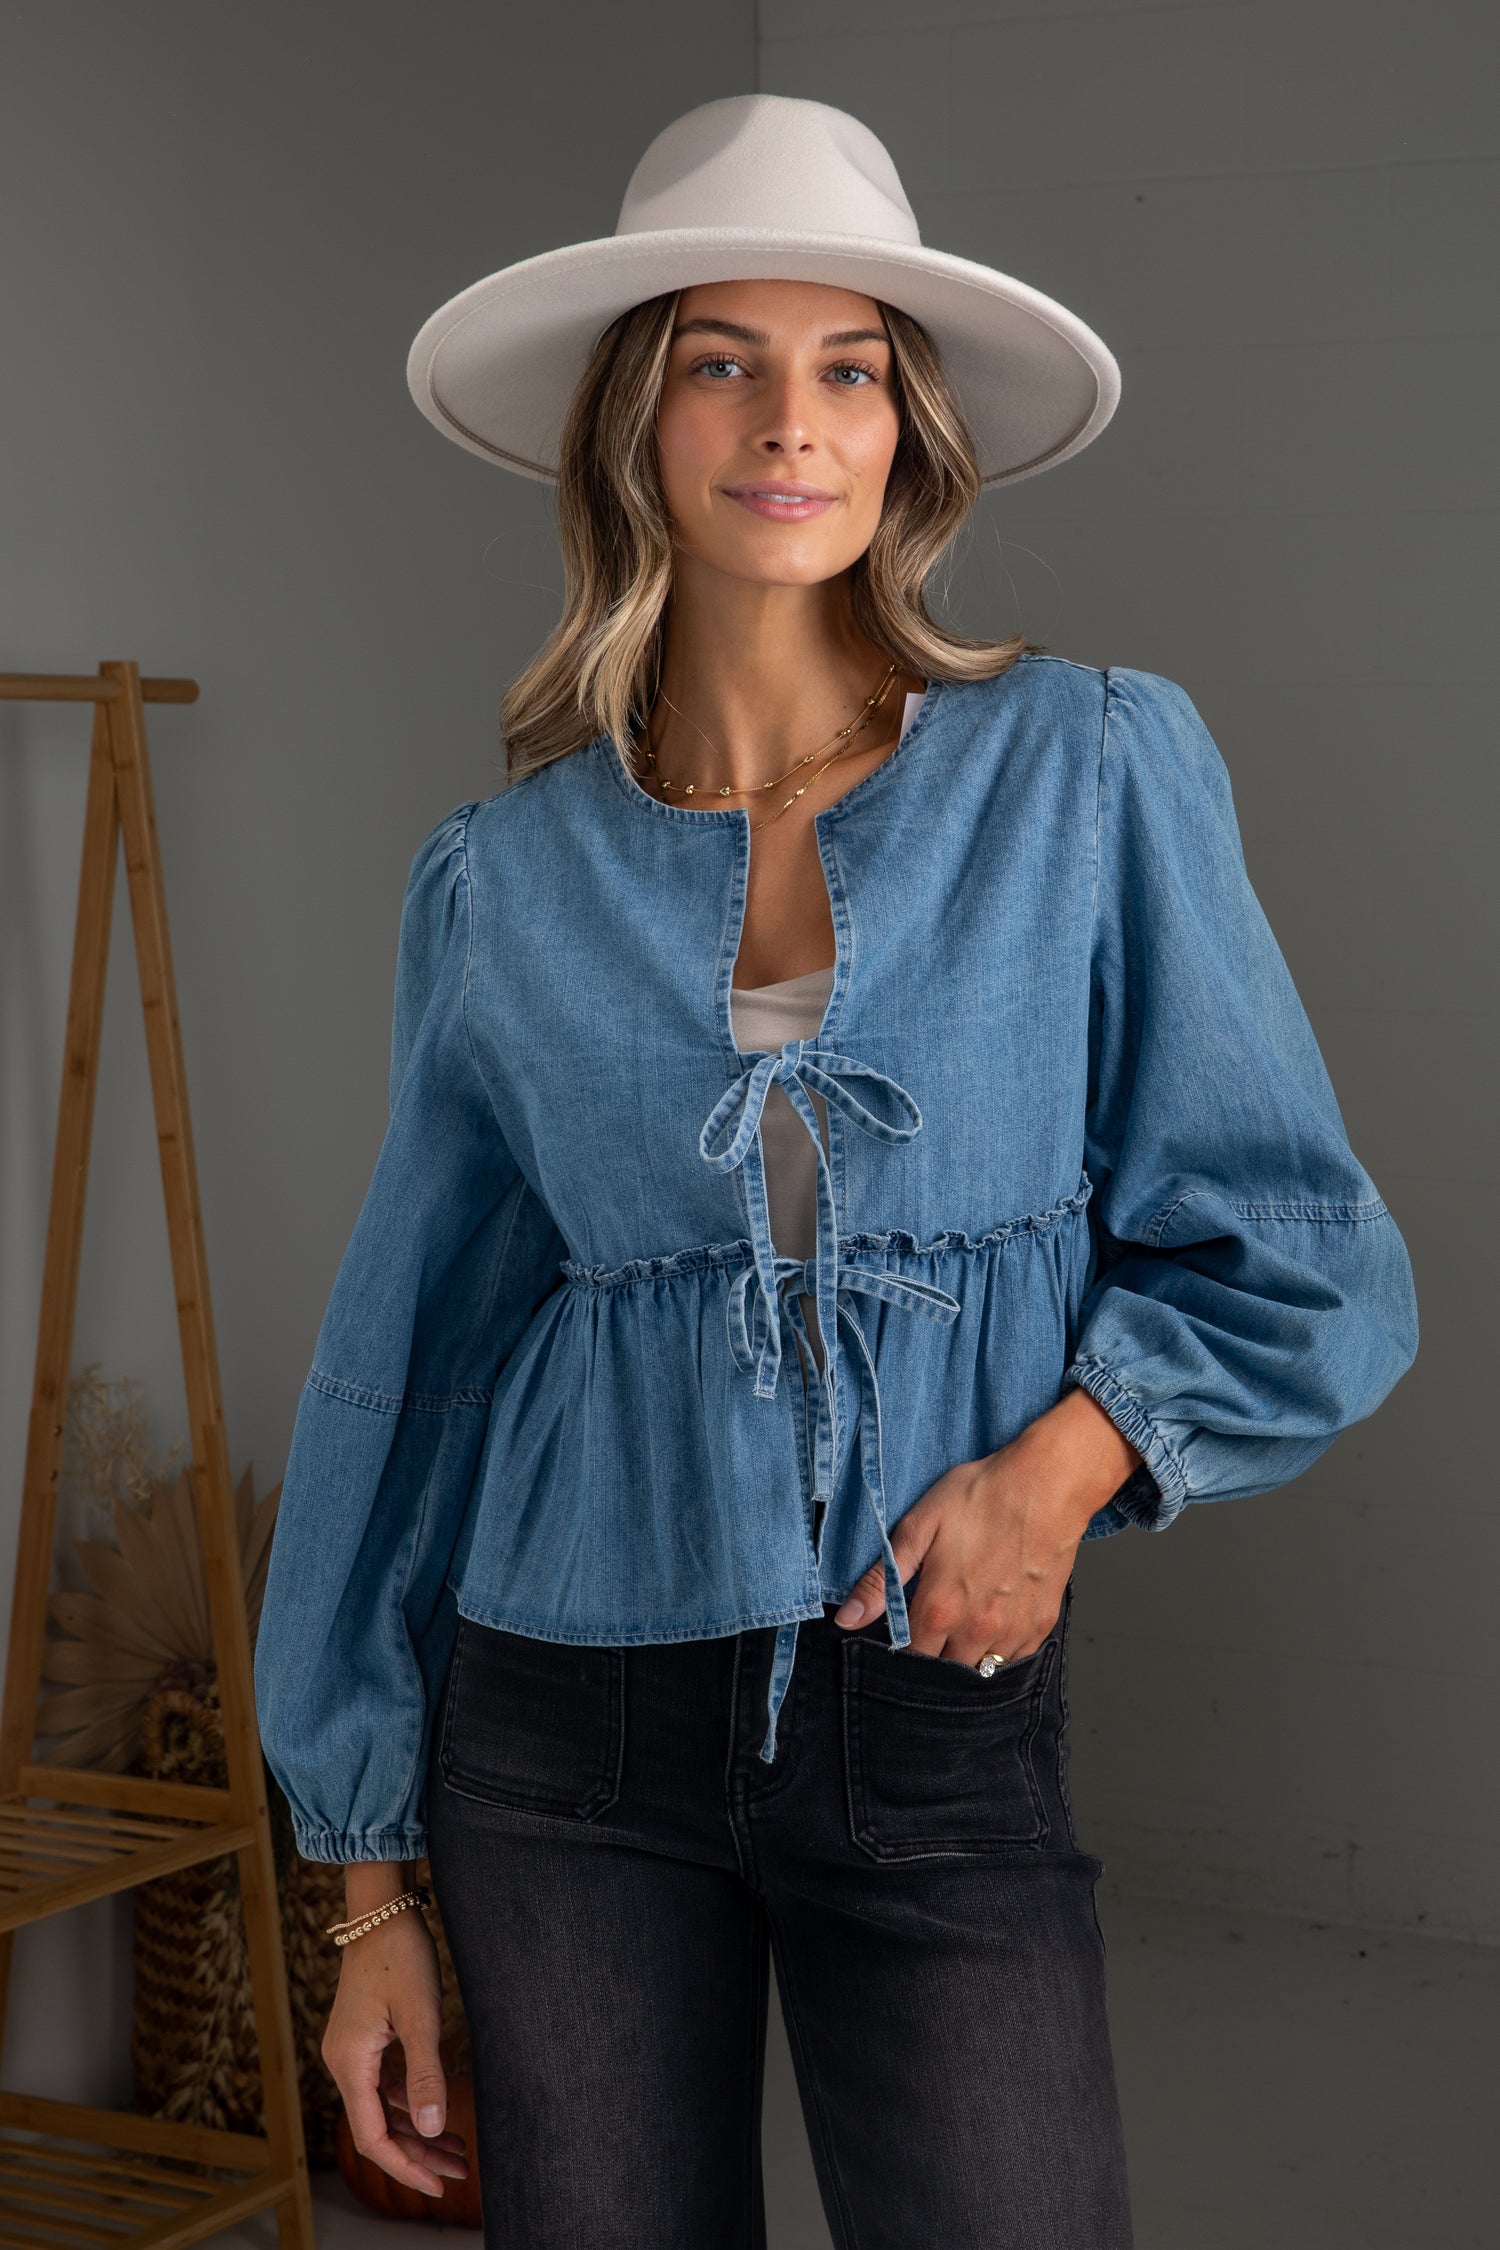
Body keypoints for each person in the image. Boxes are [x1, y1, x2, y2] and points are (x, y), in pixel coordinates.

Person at [253, 95, 1419, 2249]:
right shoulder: (501, 883)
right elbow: (406, 1363)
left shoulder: (1088, 766)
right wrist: (364, 1900)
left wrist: (1062, 1468)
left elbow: (1305, 1252)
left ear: (910, 429)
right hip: (558, 1735)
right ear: (634, 423)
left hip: (937, 1710)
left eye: (850, 366)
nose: (791, 419)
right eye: (721, 357)